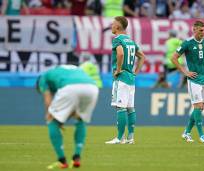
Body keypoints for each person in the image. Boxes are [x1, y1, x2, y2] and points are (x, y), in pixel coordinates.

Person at [36, 65, 99, 169]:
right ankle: (77, 156)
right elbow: (73, 107)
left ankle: (62, 160)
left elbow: (48, 97)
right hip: (92, 87)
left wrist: (51, 115)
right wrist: (61, 118)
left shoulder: (43, 77)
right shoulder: (67, 70)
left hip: (70, 87)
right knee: (80, 118)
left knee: (51, 120)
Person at [105, 16, 146, 144]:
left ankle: (119, 138)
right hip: (130, 78)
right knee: (130, 108)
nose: (111, 26)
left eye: (113, 24)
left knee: (120, 107)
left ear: (117, 26)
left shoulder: (117, 39)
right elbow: (142, 57)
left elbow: (120, 54)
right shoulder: (130, 41)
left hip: (121, 77)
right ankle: (130, 137)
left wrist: (117, 70)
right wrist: (136, 72)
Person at [172, 20, 204, 143]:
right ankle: (202, 135)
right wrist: (185, 72)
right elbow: (173, 58)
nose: (203, 33)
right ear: (194, 30)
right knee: (198, 106)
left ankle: (186, 132)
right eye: (201, 30)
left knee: (200, 108)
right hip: (194, 79)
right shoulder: (187, 43)